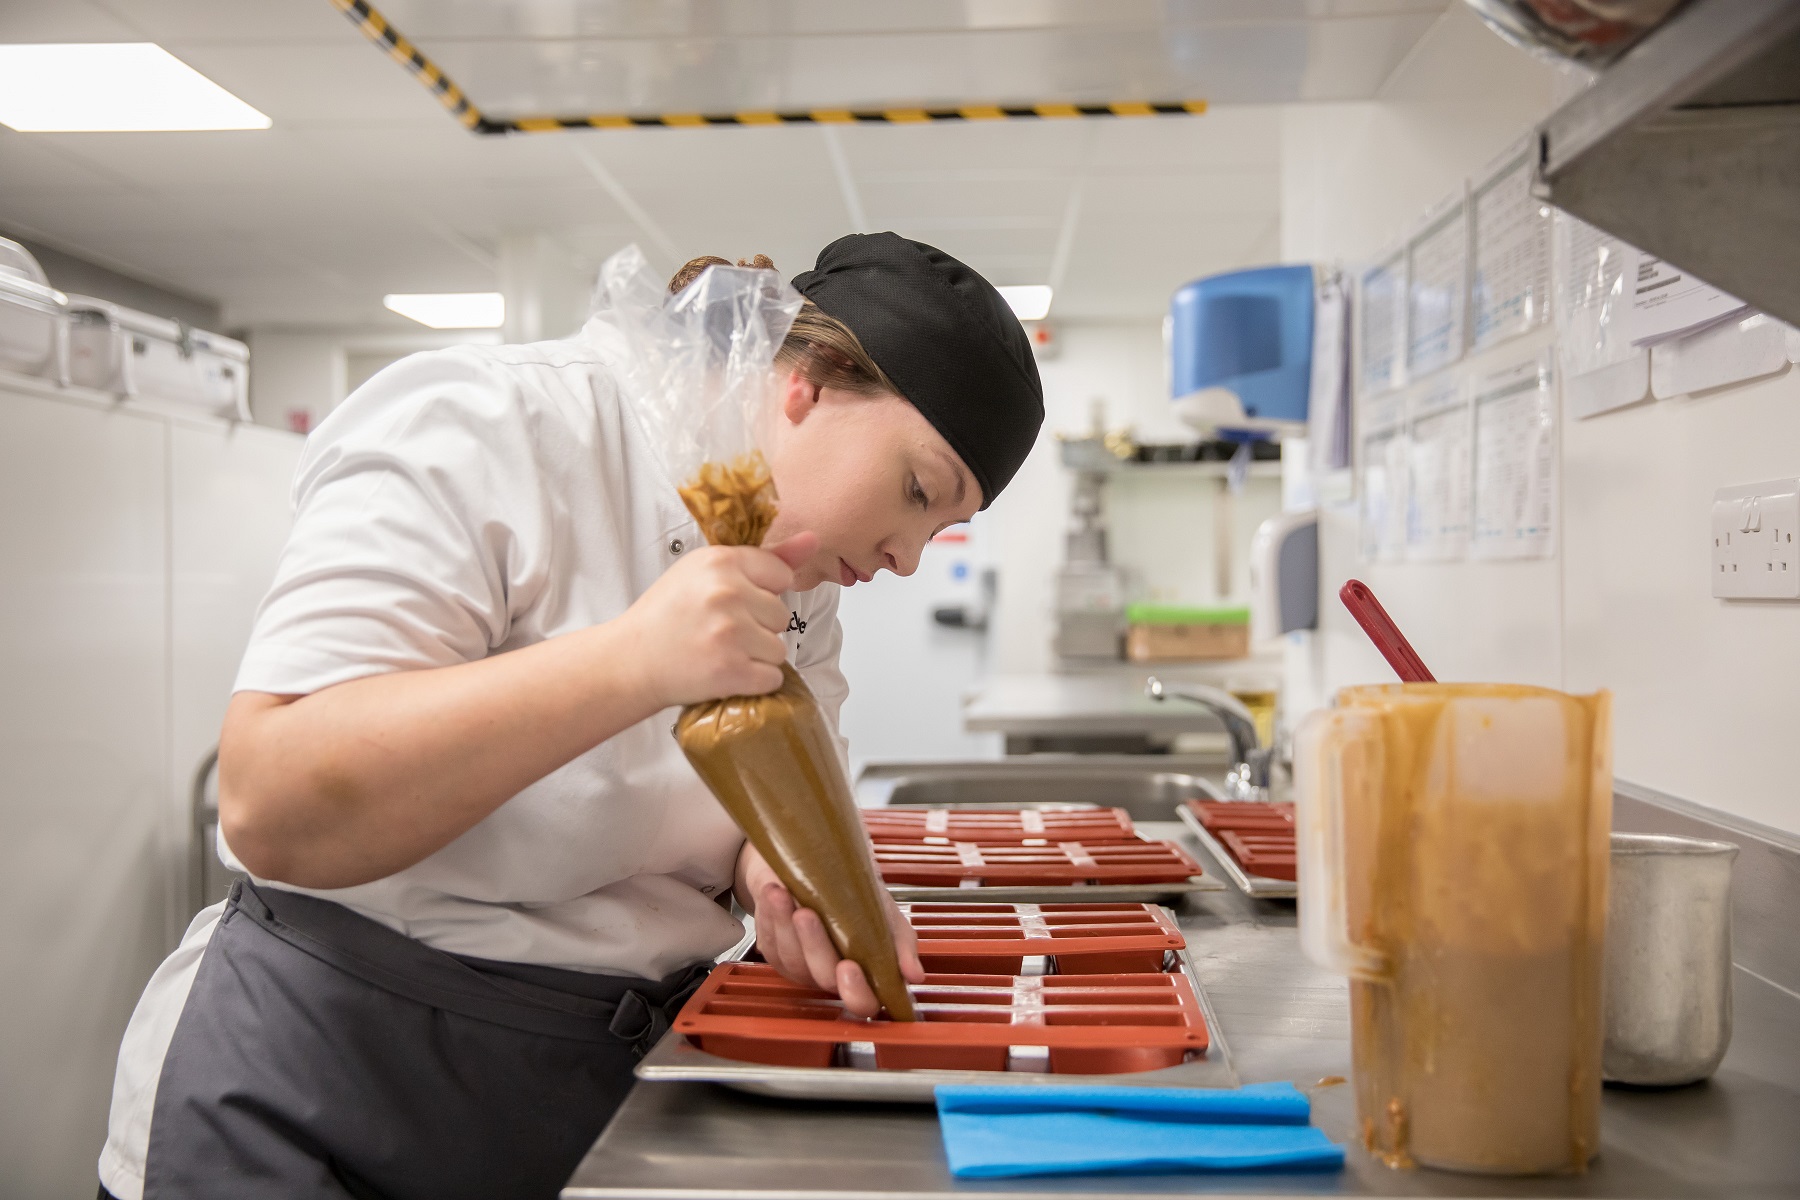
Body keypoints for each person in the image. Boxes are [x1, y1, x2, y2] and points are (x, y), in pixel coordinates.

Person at [96, 232, 1045, 1200]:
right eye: (918, 492)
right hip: (315, 1096)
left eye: (942, 525)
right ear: (810, 384)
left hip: (575, 1104)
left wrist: (783, 880)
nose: (911, 558)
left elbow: (759, 808)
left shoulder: (798, 576)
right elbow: (271, 799)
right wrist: (633, 659)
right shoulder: (489, 424)